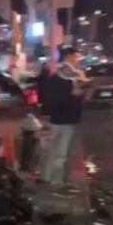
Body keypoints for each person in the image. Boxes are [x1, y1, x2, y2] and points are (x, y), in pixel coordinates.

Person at [42, 47, 88, 188]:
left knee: (60, 152)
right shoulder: (56, 80)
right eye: (74, 57)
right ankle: (56, 180)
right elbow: (54, 101)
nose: (76, 61)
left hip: (69, 119)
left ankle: (51, 177)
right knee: (60, 153)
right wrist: (73, 95)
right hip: (61, 120)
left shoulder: (73, 79)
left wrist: (81, 93)